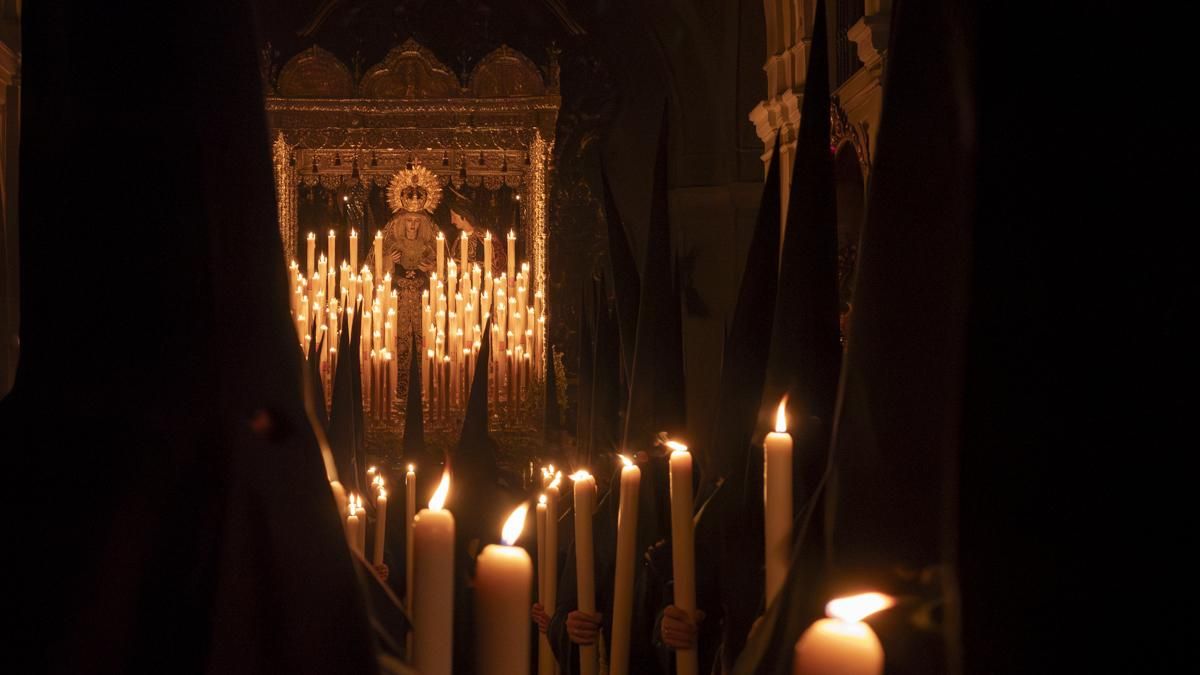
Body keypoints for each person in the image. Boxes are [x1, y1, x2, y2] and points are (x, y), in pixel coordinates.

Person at [447, 190, 507, 278]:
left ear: (463, 216)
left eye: (454, 216)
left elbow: (494, 264)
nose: (452, 221)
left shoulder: (483, 237)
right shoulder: (457, 238)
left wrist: (467, 267)